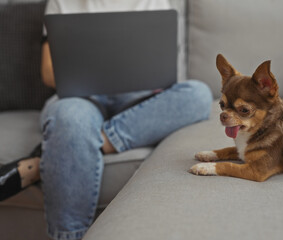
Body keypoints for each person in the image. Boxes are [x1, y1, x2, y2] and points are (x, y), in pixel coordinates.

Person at [0, 0, 213, 239]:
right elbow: (49, 73)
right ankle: (70, 235)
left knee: (199, 94)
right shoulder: (62, 3)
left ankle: (56, 154)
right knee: (70, 120)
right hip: (80, 95)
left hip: (140, 98)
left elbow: (163, 65)